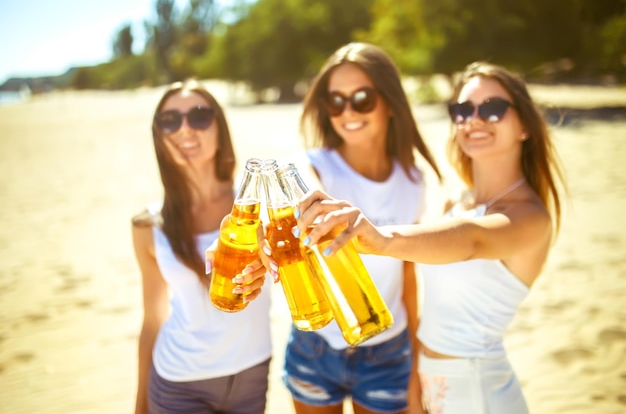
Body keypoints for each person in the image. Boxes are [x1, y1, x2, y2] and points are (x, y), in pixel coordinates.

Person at [293, 61, 565, 414]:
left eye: (493, 108)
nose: (475, 119)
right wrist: (414, 378)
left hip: (479, 391)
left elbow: (471, 241)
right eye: (463, 109)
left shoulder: (530, 217)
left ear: (525, 125)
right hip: (431, 382)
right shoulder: (458, 201)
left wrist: (383, 240)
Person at [283, 42, 441, 414]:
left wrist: (417, 361)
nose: (347, 112)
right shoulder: (315, 168)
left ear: (389, 102)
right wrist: (305, 195)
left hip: (389, 349)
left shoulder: (413, 179)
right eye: (335, 101)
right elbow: (299, 180)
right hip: (315, 348)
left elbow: (408, 273)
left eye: (362, 98)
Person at [131, 79, 274, 414]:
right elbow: (153, 320)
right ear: (159, 136)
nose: (184, 129)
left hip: (253, 375)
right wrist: (140, 405)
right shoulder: (148, 226)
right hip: (178, 383)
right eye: (169, 120)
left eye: (198, 116)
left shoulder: (258, 205)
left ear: (219, 127)